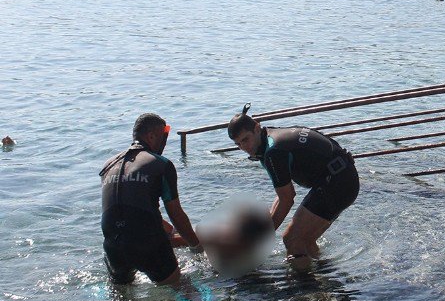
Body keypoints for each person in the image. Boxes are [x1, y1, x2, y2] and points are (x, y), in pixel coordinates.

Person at [227, 104, 360, 272]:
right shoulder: (269, 137)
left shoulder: (273, 152)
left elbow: (287, 198)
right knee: (305, 240)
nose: (244, 148)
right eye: (238, 144)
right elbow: (283, 193)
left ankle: (306, 290)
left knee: (292, 239)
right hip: (341, 176)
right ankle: (323, 276)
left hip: (337, 182)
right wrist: (266, 226)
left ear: (257, 127)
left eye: (246, 139)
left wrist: (258, 240)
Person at [99, 113, 202, 290]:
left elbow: (125, 209)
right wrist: (197, 247)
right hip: (147, 243)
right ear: (152, 136)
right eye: (164, 135)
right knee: (182, 288)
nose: (165, 142)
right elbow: (176, 214)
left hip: (113, 245)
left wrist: (168, 228)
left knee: (121, 300)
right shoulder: (161, 165)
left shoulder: (109, 165)